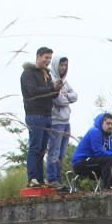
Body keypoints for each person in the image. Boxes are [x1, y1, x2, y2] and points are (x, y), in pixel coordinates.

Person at [20, 46, 62, 187]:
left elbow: (51, 93)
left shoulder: (47, 74)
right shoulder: (28, 73)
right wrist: (52, 88)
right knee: (35, 147)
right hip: (34, 115)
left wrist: (57, 89)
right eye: (46, 58)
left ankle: (39, 179)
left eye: (50, 58)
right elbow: (33, 91)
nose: (48, 61)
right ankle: (32, 178)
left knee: (42, 149)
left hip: (46, 115)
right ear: (38, 56)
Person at [71, 113, 112, 189]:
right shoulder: (95, 131)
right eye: (108, 123)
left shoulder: (106, 136)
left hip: (93, 161)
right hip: (81, 163)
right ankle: (108, 189)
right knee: (107, 160)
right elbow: (99, 153)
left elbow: (108, 153)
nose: (110, 126)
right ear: (101, 122)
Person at [46, 55, 77, 187]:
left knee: (62, 153)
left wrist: (66, 96)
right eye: (61, 65)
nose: (63, 68)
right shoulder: (51, 79)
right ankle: (52, 178)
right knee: (54, 151)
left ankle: (59, 179)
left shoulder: (65, 81)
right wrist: (66, 97)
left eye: (65, 65)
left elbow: (75, 96)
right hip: (55, 121)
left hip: (66, 121)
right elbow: (58, 99)